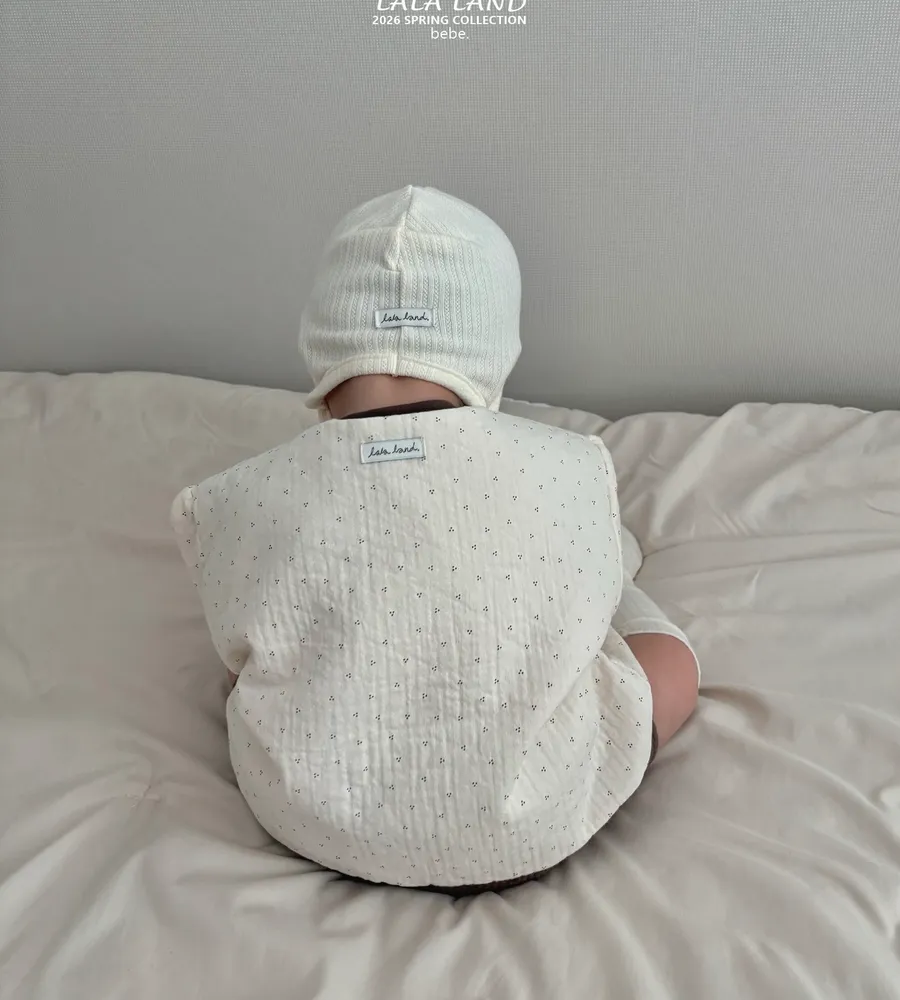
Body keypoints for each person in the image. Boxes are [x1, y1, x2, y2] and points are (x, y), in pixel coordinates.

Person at [171, 184, 699, 895]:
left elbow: (239, 652)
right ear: (493, 352)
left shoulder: (232, 500)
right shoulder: (571, 467)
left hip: (312, 817)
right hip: (538, 814)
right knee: (660, 656)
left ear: (320, 344)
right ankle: (616, 576)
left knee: (262, 657)